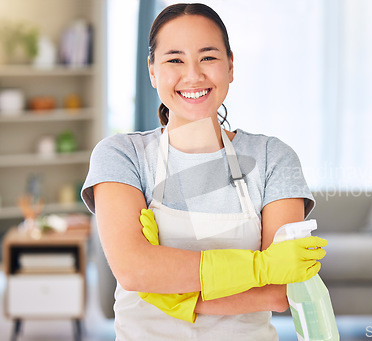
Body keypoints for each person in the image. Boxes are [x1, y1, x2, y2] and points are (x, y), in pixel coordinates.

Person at [81, 3, 327, 340]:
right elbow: (133, 270)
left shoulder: (273, 158)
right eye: (175, 59)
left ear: (230, 67)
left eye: (208, 57)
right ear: (152, 71)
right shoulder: (122, 156)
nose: (193, 75)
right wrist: (259, 267)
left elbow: (278, 291)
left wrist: (167, 289)